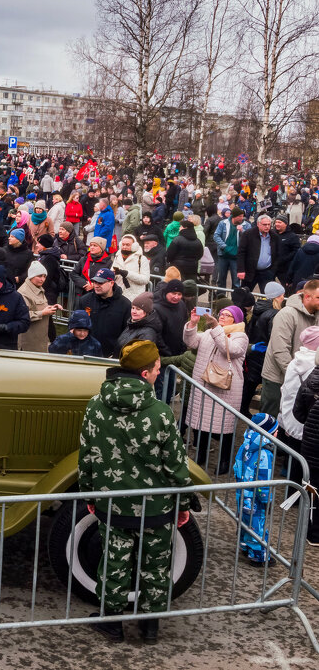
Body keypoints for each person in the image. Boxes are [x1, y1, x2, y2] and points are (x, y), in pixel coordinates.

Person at [79, 340, 193, 644]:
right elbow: (176, 465)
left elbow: (87, 455)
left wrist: (90, 495)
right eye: (157, 368)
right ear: (145, 374)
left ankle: (112, 623)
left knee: (114, 563)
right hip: (156, 508)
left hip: (112, 503)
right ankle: (149, 626)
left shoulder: (95, 405)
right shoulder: (161, 412)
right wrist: (184, 502)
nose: (159, 372)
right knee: (155, 566)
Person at [183, 306, 249, 474]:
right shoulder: (210, 332)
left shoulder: (241, 336)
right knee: (202, 423)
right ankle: (201, 455)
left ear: (236, 320)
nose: (223, 317)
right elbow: (190, 342)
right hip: (204, 384)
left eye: (228, 316)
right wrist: (192, 324)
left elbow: (230, 350)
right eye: (222, 314)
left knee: (224, 428)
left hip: (225, 390)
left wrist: (215, 328)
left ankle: (225, 460)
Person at [261, 279, 319, 416]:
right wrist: (295, 376)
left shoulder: (316, 315)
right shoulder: (286, 314)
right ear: (307, 297)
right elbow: (280, 350)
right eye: (318, 297)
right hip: (277, 378)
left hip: (302, 379)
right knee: (269, 420)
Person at [232, 413, 280, 565]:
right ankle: (258, 557)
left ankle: (245, 547)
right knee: (257, 526)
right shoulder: (265, 453)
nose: (278, 433)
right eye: (275, 430)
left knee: (245, 522)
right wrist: (267, 499)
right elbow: (263, 480)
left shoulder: (246, 445)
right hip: (255, 497)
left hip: (243, 492)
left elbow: (237, 466)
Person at [278, 324, 319, 484]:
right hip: (306, 421)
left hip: (291, 414)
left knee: (294, 457)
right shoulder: (312, 366)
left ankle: (291, 492)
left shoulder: (297, 359)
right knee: (304, 463)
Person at [291, 355, 319, 545]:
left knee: (313, 487)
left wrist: (310, 423)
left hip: (311, 444)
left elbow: (297, 412)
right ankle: (313, 533)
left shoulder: (310, 378)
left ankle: (312, 531)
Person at [77, 267, 131, 357]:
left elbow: (127, 333)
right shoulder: (85, 300)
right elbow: (76, 324)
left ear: (111, 283)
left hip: (111, 356)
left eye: (100, 283)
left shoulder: (125, 305)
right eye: (95, 282)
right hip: (86, 353)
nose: (96, 285)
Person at [17, 262, 56, 353]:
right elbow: (23, 315)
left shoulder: (38, 288)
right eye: (39, 276)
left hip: (40, 340)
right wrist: (43, 313)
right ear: (31, 276)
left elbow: (39, 307)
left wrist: (51, 308)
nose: (42, 279)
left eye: (44, 276)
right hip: (29, 343)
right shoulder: (24, 292)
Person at [237, 214, 280, 292]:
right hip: (250, 271)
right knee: (244, 295)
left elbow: (277, 254)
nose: (267, 226)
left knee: (266, 297)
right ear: (258, 224)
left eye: (269, 224)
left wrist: (273, 271)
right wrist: (241, 270)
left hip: (267, 272)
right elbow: (241, 253)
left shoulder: (274, 236)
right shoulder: (248, 234)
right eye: (264, 224)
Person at [110, 234, 151, 299]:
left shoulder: (142, 259)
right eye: (123, 244)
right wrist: (113, 274)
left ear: (134, 246)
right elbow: (112, 273)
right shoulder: (117, 256)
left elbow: (145, 280)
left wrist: (127, 274)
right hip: (117, 294)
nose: (124, 247)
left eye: (127, 245)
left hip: (134, 297)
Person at [213, 208, 246, 289]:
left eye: (242, 216)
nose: (242, 218)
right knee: (221, 279)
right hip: (223, 255)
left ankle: (235, 299)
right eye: (240, 216)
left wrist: (242, 230)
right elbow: (216, 235)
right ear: (234, 216)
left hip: (236, 257)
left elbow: (249, 238)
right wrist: (224, 246)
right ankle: (221, 298)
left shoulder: (246, 225)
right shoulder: (223, 223)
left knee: (236, 281)